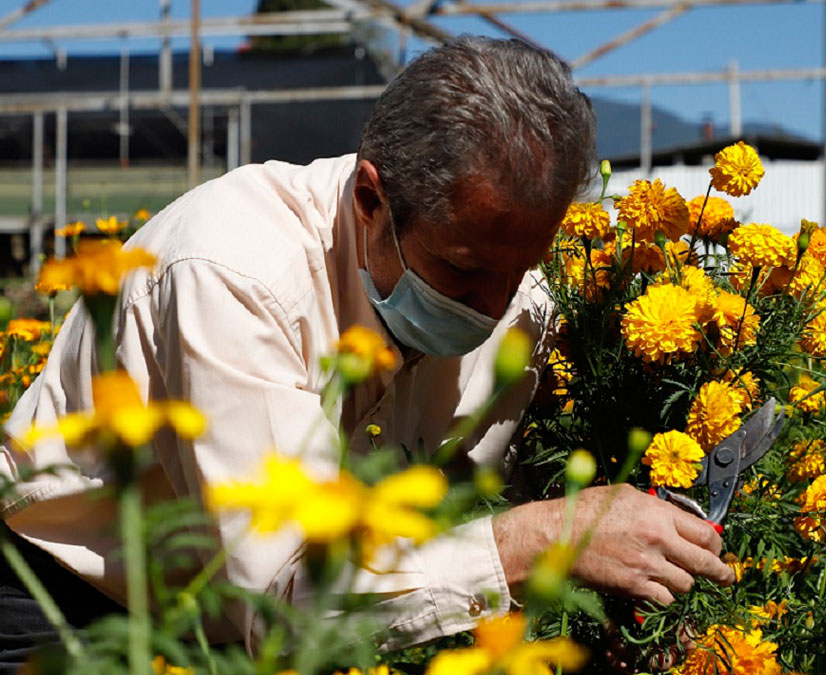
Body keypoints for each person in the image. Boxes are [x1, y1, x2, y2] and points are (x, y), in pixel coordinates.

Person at [0, 36, 734, 664]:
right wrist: (543, 538)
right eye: (465, 270)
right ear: (370, 200)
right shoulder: (235, 273)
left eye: (519, 271)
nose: (493, 307)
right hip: (72, 606)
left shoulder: (519, 301)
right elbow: (285, 605)